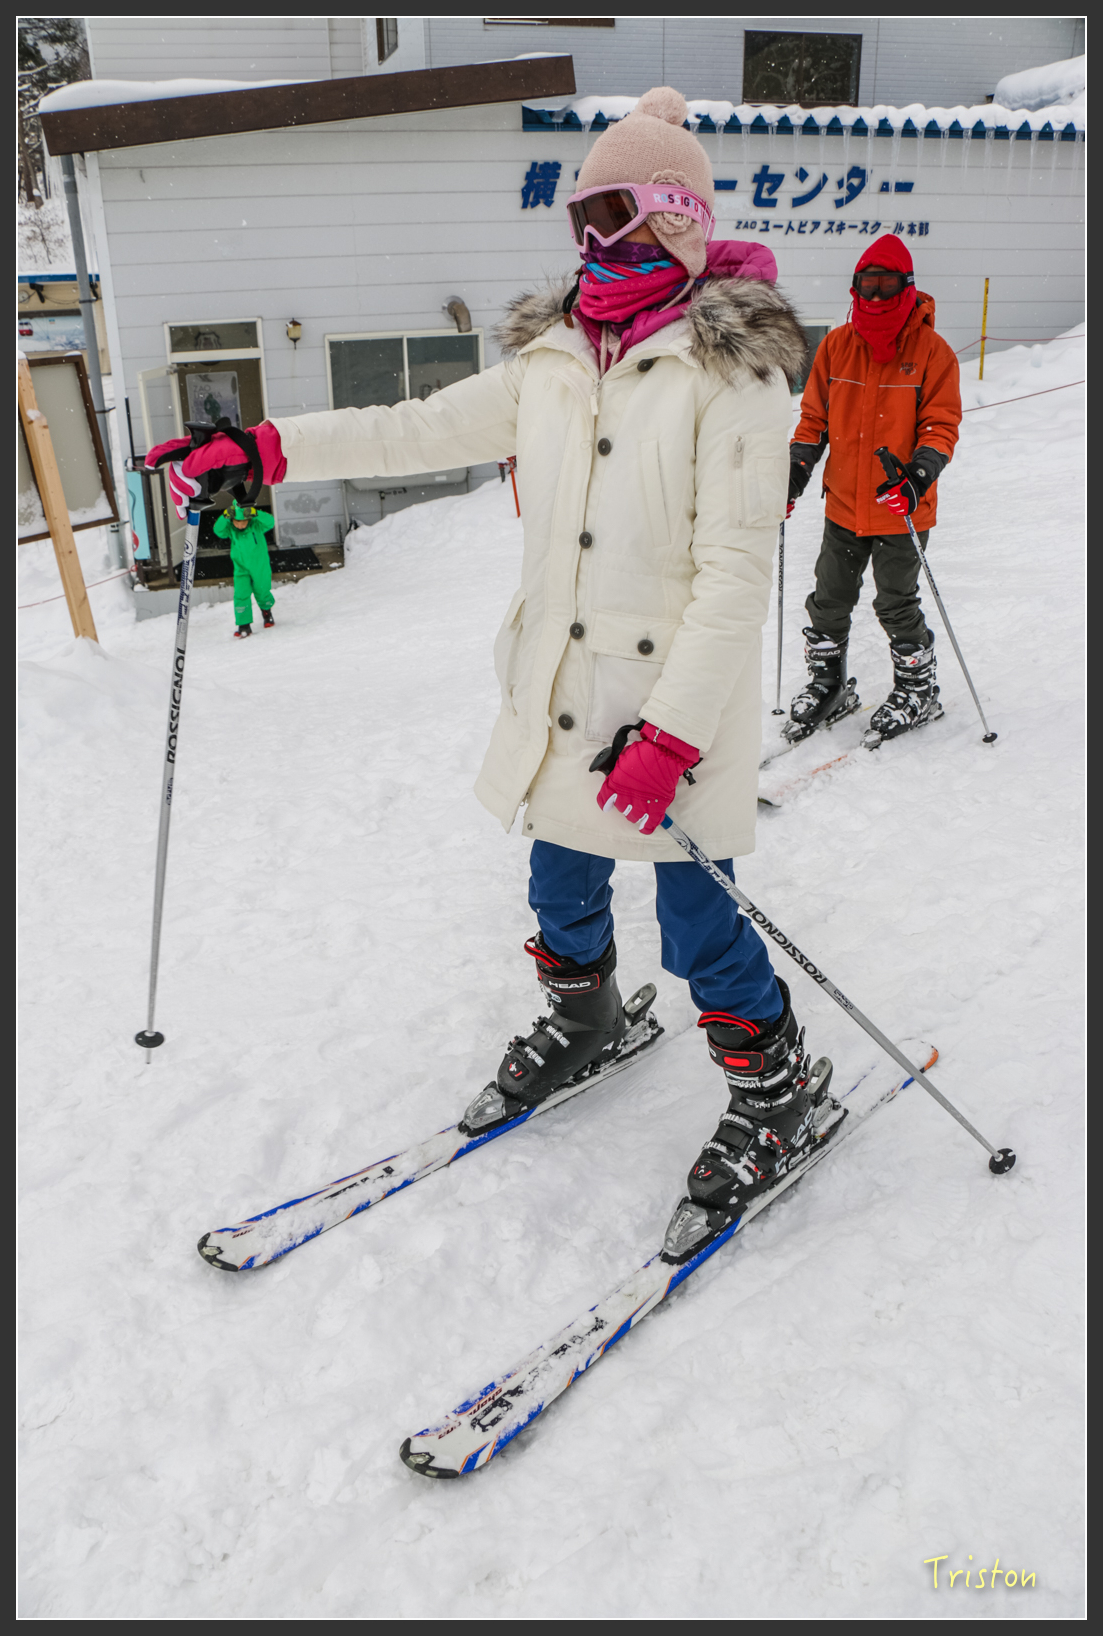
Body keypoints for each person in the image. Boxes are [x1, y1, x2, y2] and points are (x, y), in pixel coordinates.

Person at [148, 88, 824, 1256]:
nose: (591, 243)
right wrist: (266, 447)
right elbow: (415, 427)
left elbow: (733, 578)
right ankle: (584, 1015)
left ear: (674, 220)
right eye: (579, 216)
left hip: (675, 714)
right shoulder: (555, 361)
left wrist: (668, 735)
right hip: (563, 693)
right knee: (557, 885)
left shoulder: (735, 379)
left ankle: (774, 1092)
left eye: (615, 214)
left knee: (695, 919)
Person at [785, 233, 962, 743]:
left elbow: (940, 425)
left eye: (887, 286)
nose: (877, 297)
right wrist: (796, 470)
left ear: (908, 287)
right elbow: (814, 419)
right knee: (828, 599)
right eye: (868, 285)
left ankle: (918, 689)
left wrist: (920, 473)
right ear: (855, 287)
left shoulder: (933, 352)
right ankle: (828, 685)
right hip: (843, 503)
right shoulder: (838, 346)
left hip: (902, 506)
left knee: (896, 603)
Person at [212, 500, 277, 638]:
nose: (240, 525)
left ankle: (266, 611)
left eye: (243, 521)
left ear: (249, 518)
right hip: (240, 568)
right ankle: (244, 624)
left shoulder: (257, 525)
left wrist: (256, 513)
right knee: (241, 594)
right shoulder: (230, 529)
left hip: (260, 565)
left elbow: (270, 521)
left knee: (262, 589)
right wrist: (224, 517)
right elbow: (218, 531)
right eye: (236, 521)